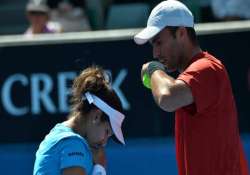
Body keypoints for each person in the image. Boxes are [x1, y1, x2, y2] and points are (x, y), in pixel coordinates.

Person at [134, 0, 249, 175]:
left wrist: (153, 70)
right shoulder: (193, 76)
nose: (155, 54)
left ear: (181, 33)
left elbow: (167, 98)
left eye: (159, 43)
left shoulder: (207, 68)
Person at [33, 65, 125, 175]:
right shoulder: (73, 143)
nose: (104, 142)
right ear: (96, 116)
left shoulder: (63, 135)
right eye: (107, 132)